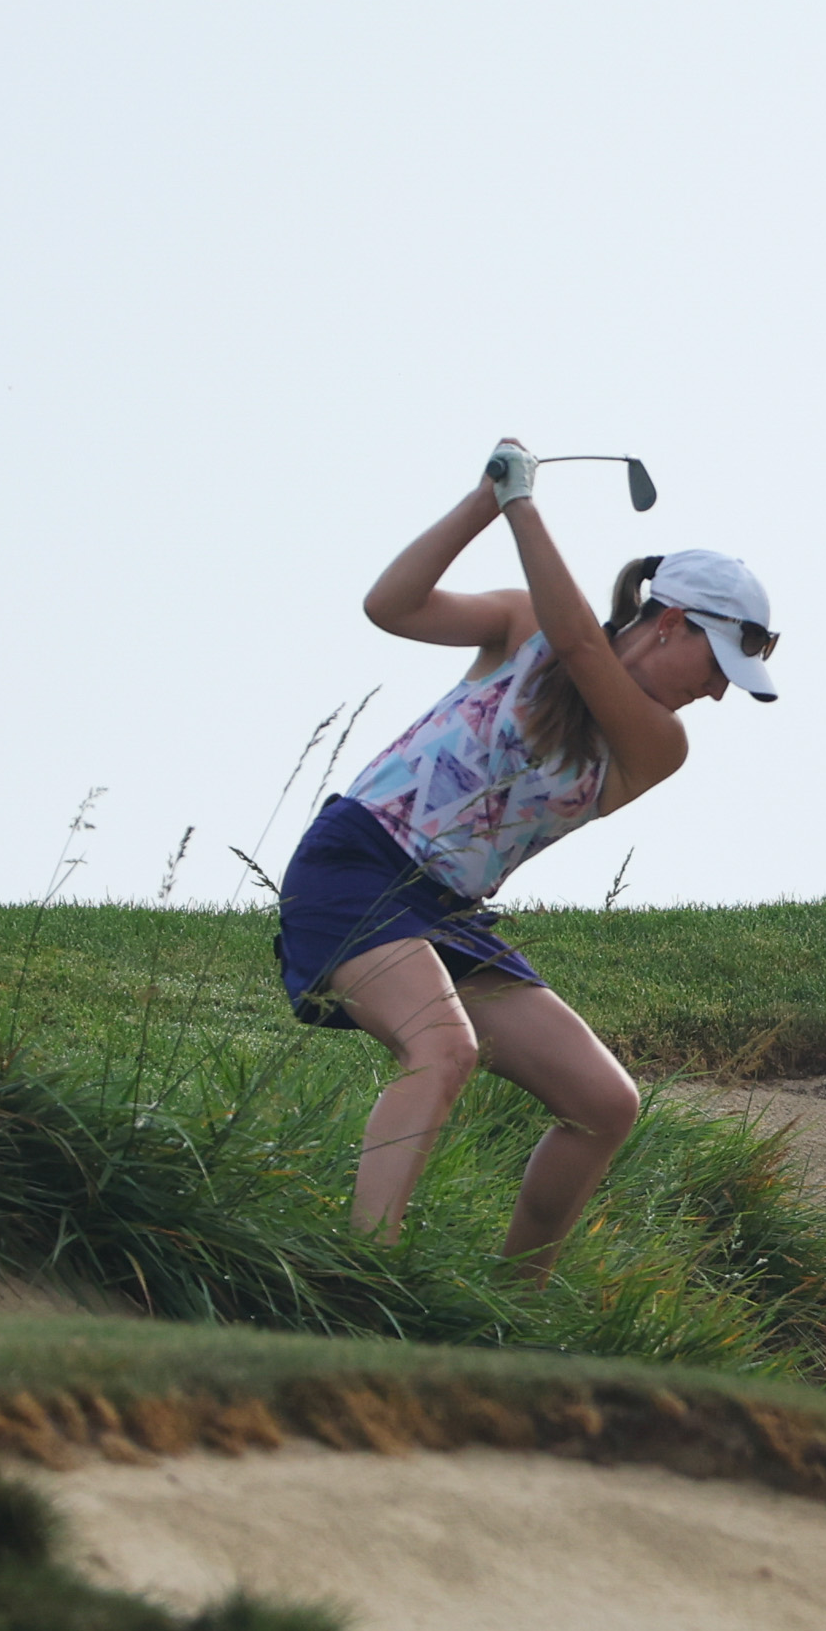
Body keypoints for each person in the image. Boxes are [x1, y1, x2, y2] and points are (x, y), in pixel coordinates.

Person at [272, 440, 779, 1276]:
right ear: (672, 624)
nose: (720, 689)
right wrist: (485, 500)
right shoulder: (522, 623)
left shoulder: (658, 742)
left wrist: (524, 508)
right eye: (718, 663)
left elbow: (585, 653)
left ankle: (514, 1303)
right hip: (356, 861)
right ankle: (359, 1277)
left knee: (604, 1104)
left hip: (447, 914)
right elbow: (389, 606)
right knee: (444, 1049)